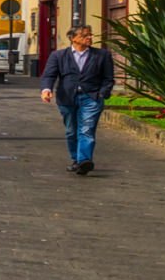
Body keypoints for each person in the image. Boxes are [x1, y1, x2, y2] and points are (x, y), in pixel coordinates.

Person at [39, 23, 116, 175]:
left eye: (90, 35)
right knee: (71, 130)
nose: (89, 38)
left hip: (91, 97)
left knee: (87, 129)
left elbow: (108, 78)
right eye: (85, 35)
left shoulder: (102, 55)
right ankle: (76, 159)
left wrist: (102, 93)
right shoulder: (58, 56)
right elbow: (49, 75)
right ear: (73, 39)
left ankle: (84, 161)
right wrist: (46, 90)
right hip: (67, 98)